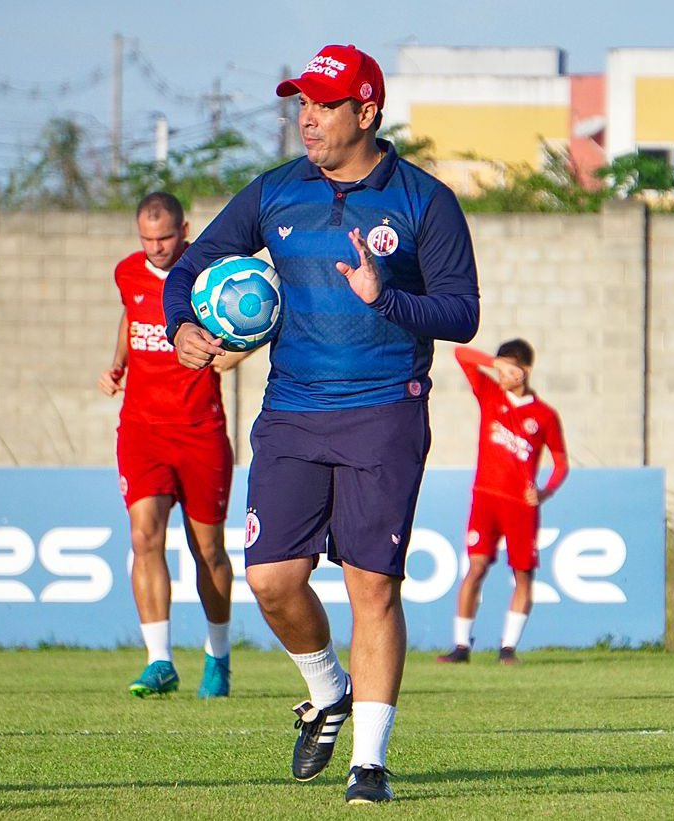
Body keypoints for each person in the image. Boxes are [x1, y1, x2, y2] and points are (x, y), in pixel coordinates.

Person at [162, 45, 479, 803]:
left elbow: (463, 313)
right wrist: (182, 324)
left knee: (373, 587)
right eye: (301, 101)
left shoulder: (424, 201)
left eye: (324, 103)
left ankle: (369, 764)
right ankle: (327, 690)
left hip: (384, 411)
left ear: (365, 113)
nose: (306, 115)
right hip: (293, 411)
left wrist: (387, 299)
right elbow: (192, 263)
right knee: (271, 581)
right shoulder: (274, 193)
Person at [100, 192, 245, 699]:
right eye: (147, 238)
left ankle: (218, 655)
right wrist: (118, 363)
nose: (156, 248)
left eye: (165, 238)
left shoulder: (209, 278)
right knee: (144, 537)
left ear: (185, 229)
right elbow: (131, 317)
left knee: (208, 551)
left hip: (199, 432)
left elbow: (253, 314)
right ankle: (159, 660)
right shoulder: (127, 273)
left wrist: (239, 353)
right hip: (141, 430)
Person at [437, 340, 568, 665]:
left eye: (513, 367)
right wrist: (494, 363)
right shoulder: (490, 393)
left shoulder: (545, 415)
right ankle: (461, 646)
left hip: (520, 506)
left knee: (523, 573)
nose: (507, 373)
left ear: (525, 370)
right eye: (503, 367)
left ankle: (508, 648)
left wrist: (544, 491)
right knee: (476, 567)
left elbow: (561, 462)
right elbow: (460, 354)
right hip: (485, 497)